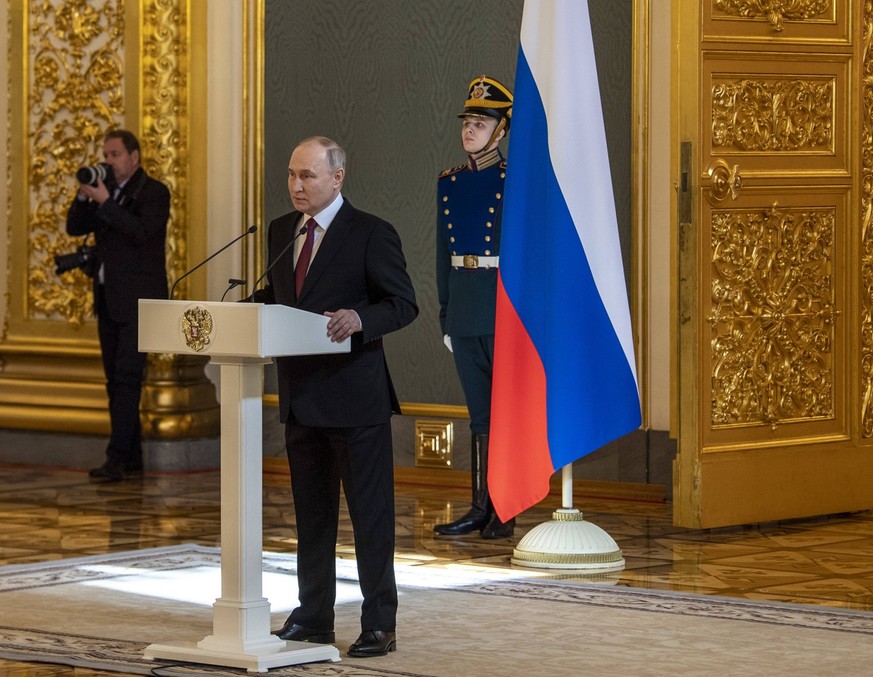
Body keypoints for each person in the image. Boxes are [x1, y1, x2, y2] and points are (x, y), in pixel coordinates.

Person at [250, 136, 417, 658]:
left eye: (309, 177)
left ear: (338, 177)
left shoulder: (370, 233)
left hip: (356, 402)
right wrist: (238, 310)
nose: (297, 186)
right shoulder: (282, 231)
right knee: (312, 516)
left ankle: (379, 624)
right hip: (301, 400)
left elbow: (403, 304)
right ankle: (314, 616)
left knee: (371, 519)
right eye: (292, 176)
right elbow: (280, 299)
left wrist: (361, 319)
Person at [433, 76, 515, 539]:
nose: (470, 129)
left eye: (481, 123)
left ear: (500, 131)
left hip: (502, 308)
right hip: (465, 308)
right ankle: (480, 506)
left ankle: (504, 508)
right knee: (478, 414)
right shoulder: (449, 183)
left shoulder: (513, 183)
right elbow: (442, 254)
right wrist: (446, 313)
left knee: (504, 413)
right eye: (467, 121)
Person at [66, 129, 170, 482]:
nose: (108, 161)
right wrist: (85, 197)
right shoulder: (103, 194)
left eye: (114, 154)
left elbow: (141, 232)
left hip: (141, 303)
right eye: (106, 155)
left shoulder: (154, 192)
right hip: (109, 300)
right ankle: (132, 458)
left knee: (127, 379)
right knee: (116, 382)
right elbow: (73, 228)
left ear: (134, 157)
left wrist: (105, 201)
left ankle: (115, 459)